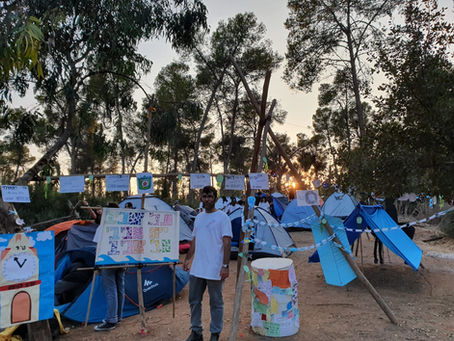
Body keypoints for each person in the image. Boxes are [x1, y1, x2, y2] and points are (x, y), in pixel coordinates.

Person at [183, 186, 232, 341]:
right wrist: (188, 258)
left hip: (215, 269)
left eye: (210, 196)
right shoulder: (198, 217)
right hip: (197, 268)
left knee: (216, 302)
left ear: (215, 199)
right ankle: (196, 331)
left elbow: (227, 243)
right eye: (205, 196)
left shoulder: (222, 217)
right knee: (194, 301)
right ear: (201, 198)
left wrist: (225, 266)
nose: (208, 199)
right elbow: (195, 240)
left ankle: (215, 333)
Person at [93, 202, 126, 332]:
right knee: (120, 288)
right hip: (122, 260)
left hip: (108, 260)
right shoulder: (122, 225)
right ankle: (118, 317)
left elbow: (98, 247)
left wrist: (97, 264)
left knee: (110, 289)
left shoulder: (103, 227)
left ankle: (111, 319)